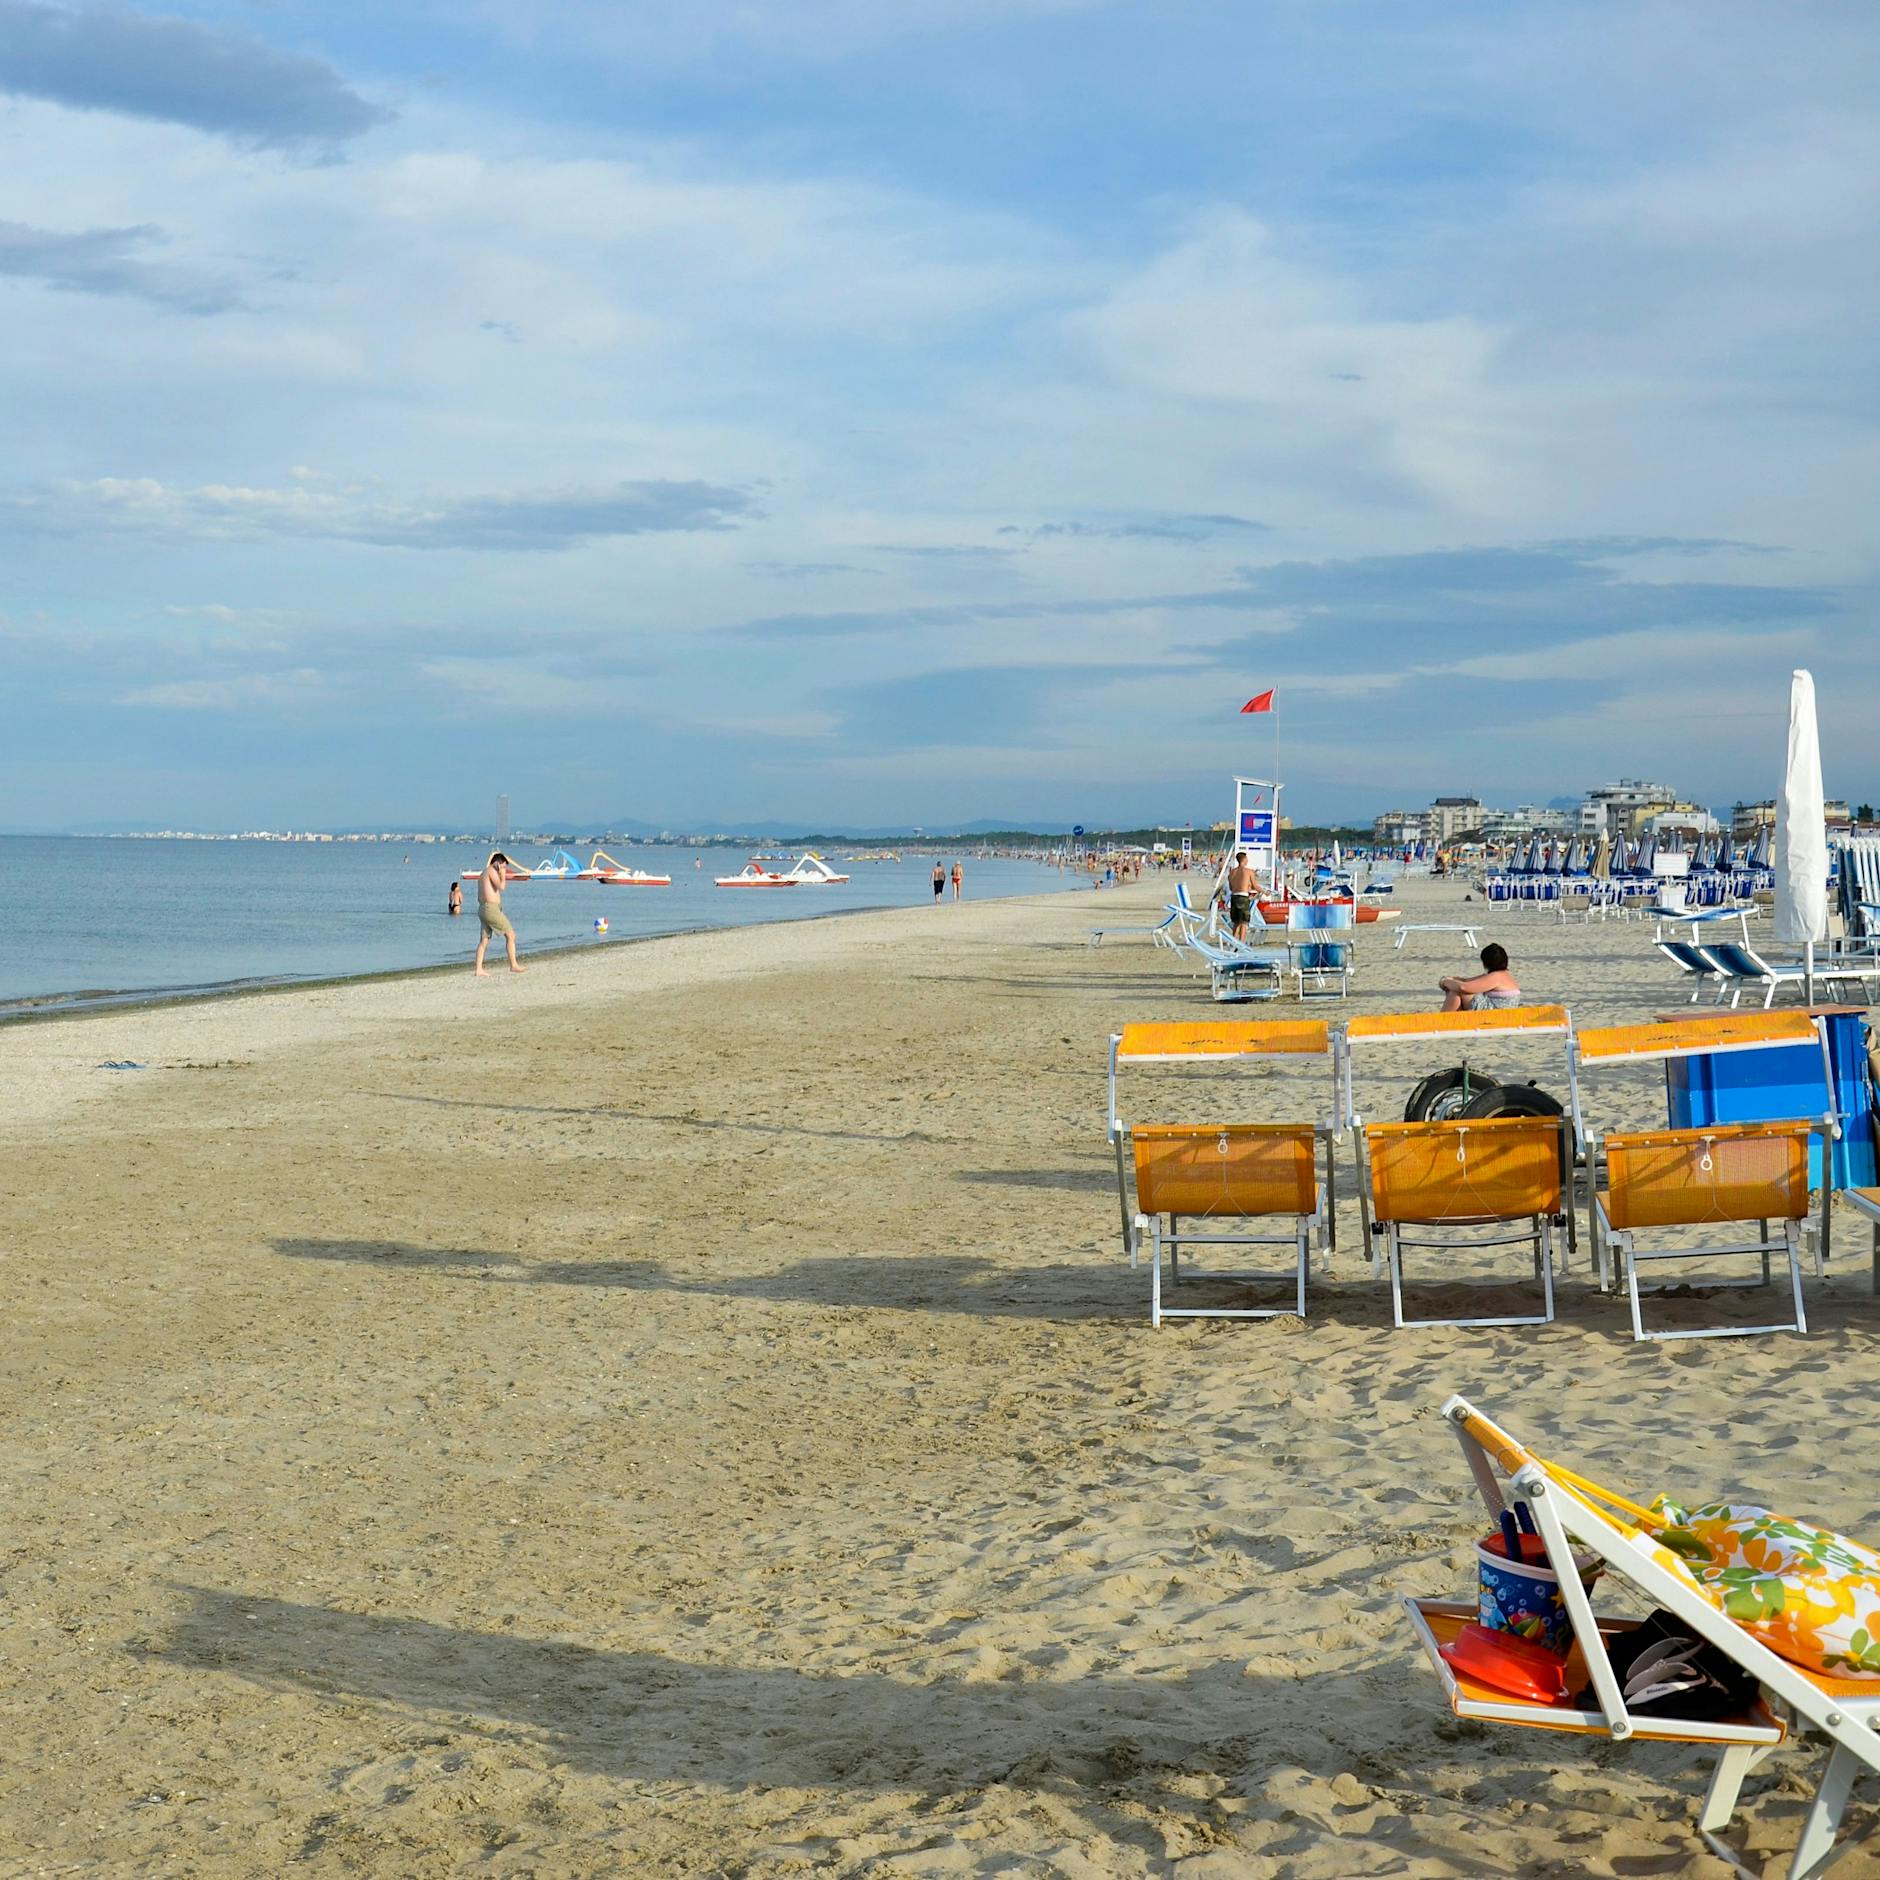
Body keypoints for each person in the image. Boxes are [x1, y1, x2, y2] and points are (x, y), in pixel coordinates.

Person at [474, 850, 526, 976]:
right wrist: (503, 874)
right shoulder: (491, 871)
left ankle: (478, 969)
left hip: (484, 909)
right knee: (511, 935)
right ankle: (513, 965)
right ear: (497, 863)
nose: (503, 869)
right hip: (490, 909)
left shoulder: (483, 873)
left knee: (484, 940)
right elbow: (502, 887)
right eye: (503, 866)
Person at [1440, 943, 1520, 1012]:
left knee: (1457, 991)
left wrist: (1445, 982)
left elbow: (1464, 987)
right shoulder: (1503, 975)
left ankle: (1443, 1021)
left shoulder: (1496, 976)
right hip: (1499, 1010)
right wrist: (1453, 979)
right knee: (1456, 988)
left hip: (1494, 1011)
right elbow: (1467, 981)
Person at [1226, 848, 1258, 942]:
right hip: (1243, 897)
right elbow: (1255, 886)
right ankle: (1241, 942)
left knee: (1236, 922)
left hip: (1234, 897)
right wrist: (1264, 892)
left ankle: (1233, 942)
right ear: (1244, 860)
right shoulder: (1249, 871)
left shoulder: (1232, 872)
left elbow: (1231, 888)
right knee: (1244, 922)